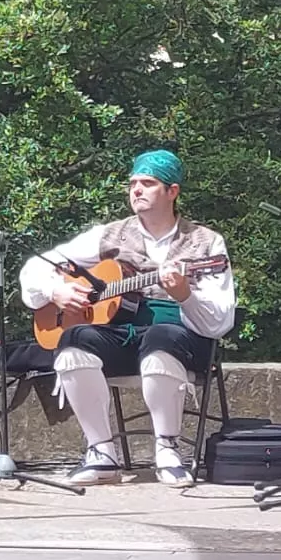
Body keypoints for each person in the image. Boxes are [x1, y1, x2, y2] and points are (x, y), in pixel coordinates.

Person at [19, 150, 236, 488]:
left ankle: (167, 449)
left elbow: (219, 321)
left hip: (182, 337)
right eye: (133, 183)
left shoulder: (206, 243)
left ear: (172, 191)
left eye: (147, 184)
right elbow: (36, 266)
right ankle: (101, 453)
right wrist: (54, 292)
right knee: (72, 342)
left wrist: (184, 295)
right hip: (122, 335)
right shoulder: (110, 234)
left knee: (160, 337)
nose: (136, 190)